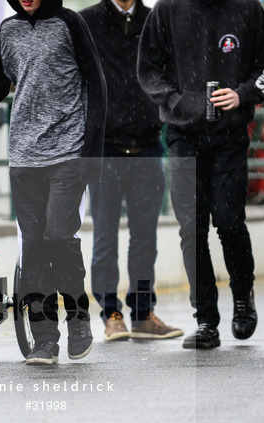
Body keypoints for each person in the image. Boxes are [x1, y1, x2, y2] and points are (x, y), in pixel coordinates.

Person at [0, 0, 106, 366]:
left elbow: (98, 85)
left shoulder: (69, 24)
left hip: (68, 154)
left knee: (58, 236)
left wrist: (92, 154)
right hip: (24, 158)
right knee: (34, 250)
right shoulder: (8, 30)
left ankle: (78, 319)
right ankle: (45, 339)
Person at [138, 0, 264, 350]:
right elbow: (148, 70)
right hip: (183, 137)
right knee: (192, 228)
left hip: (230, 136)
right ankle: (205, 318)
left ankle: (243, 296)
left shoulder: (248, 9)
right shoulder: (166, 10)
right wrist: (178, 102)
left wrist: (243, 93)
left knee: (230, 223)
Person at [79, 0, 182, 343]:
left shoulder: (156, 19)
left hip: (149, 146)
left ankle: (142, 314)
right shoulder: (87, 21)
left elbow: (174, 72)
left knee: (145, 240)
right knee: (105, 238)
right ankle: (111, 314)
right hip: (105, 149)